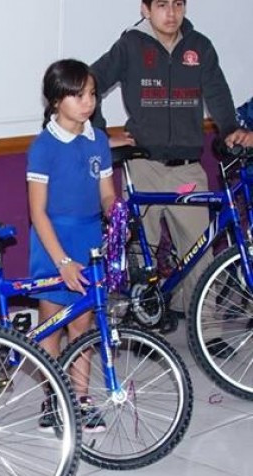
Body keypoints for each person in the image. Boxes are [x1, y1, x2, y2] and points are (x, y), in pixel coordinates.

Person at [90, 0, 253, 325]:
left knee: (201, 252)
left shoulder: (199, 46)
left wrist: (231, 130)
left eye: (178, 4)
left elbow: (218, 93)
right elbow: (90, 81)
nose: (171, 13)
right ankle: (139, 323)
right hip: (143, 166)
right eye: (162, 5)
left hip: (188, 168)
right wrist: (99, 134)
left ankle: (206, 329)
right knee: (138, 253)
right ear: (145, 9)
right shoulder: (129, 45)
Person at [27, 59, 117, 433]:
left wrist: (116, 213)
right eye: (78, 94)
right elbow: (38, 212)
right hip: (53, 241)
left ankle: (80, 396)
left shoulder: (98, 139)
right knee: (52, 323)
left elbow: (108, 193)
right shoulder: (44, 146)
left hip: (89, 237)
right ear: (55, 100)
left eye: (92, 93)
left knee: (83, 323)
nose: (88, 102)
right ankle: (52, 396)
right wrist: (61, 260)